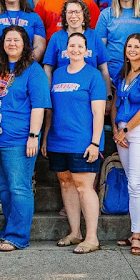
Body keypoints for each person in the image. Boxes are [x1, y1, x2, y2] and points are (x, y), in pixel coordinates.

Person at [0, 26, 51, 252]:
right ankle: (8, 232)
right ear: (1, 44)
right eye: (8, 40)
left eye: (17, 40)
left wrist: (33, 136)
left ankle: (18, 237)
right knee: (4, 189)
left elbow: (39, 106)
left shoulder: (33, 70)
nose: (12, 44)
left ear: (25, 44)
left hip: (19, 139)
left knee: (19, 188)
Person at [45, 31, 107, 255]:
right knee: (66, 184)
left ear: (87, 51)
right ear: (66, 49)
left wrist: (95, 143)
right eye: (72, 46)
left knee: (84, 187)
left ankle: (92, 237)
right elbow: (51, 109)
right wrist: (45, 137)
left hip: (83, 142)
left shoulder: (93, 76)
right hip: (58, 141)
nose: (76, 49)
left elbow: (98, 113)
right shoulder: (59, 74)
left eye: (80, 46)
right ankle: (75, 232)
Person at [111, 33, 140, 256]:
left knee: (136, 183)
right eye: (129, 46)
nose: (132, 49)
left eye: (136, 46)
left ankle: (137, 235)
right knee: (132, 182)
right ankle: (138, 230)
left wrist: (125, 130)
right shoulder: (122, 74)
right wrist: (115, 130)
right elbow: (115, 104)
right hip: (122, 132)